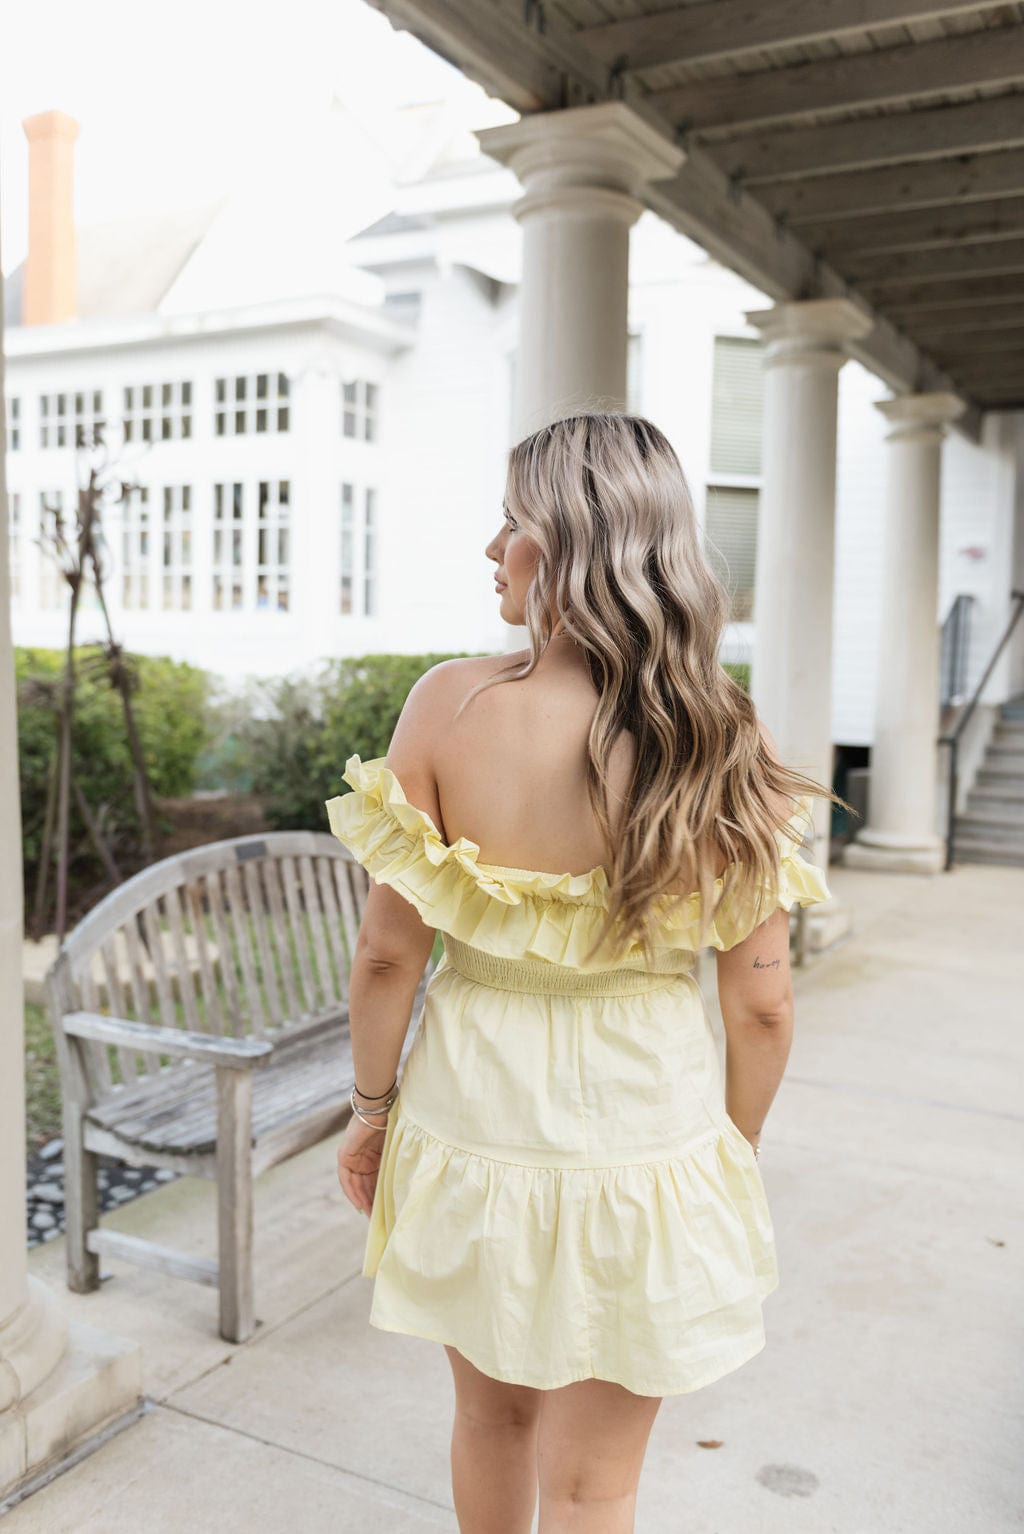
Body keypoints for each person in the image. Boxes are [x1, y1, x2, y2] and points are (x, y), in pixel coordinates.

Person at [326, 412, 838, 1533]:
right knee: (596, 1484)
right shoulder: (717, 733)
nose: (488, 547)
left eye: (508, 523)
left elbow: (385, 956)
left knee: (490, 1422)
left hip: (472, 1126)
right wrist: (725, 1158)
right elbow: (760, 1001)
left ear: (559, 548)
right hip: (646, 1141)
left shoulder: (448, 707)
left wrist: (370, 1112)